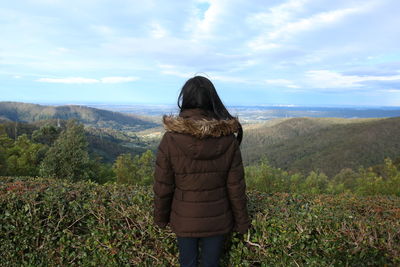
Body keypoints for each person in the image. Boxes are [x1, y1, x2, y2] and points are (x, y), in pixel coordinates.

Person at [153, 75, 251, 267]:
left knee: (187, 263)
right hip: (217, 219)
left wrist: (160, 219)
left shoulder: (171, 140)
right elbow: (236, 188)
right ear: (212, 100)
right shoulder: (228, 140)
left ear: (185, 100)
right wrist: (242, 223)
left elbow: (163, 187)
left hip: (184, 218)